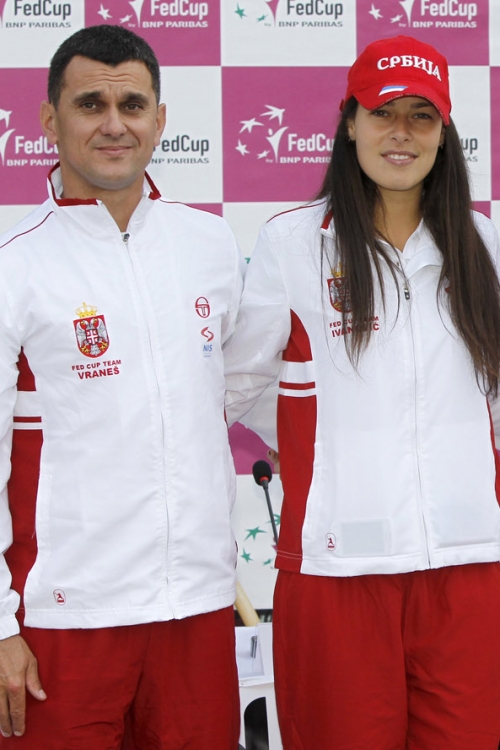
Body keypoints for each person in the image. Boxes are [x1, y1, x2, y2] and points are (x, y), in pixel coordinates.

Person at [225, 35, 500, 749]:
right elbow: (236, 387)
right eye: (383, 113)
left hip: (470, 567)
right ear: (350, 123)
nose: (401, 133)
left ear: (444, 133)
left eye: (421, 116)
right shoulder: (293, 244)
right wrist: (320, 454)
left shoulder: (484, 245)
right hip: (338, 570)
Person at [0, 24, 242, 749]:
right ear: (50, 120)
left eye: (132, 105)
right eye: (90, 104)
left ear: (160, 119)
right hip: (65, 619)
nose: (114, 124)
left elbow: (247, 389)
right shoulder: (15, 265)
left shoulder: (210, 246)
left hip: (195, 610)